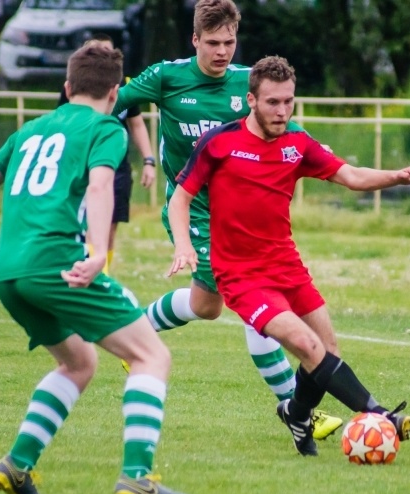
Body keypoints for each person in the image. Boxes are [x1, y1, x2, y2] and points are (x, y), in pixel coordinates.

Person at [0, 42, 196, 494]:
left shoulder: (32, 128)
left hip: (8, 273)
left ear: (66, 87)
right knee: (151, 355)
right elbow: (100, 186)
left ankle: (17, 465)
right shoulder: (106, 127)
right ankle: (138, 477)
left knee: (79, 363)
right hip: (57, 263)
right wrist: (99, 251)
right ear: (116, 91)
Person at [166, 55, 410, 456]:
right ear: (251, 101)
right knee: (309, 348)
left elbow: (351, 176)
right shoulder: (220, 143)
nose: (282, 111)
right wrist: (183, 244)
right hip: (241, 276)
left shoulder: (298, 144)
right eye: (273, 102)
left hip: (287, 267)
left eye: (288, 102)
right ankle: (381, 415)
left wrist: (396, 176)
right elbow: (182, 197)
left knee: (328, 354)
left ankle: (296, 413)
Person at [113, 0, 343, 441]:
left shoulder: (248, 84)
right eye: (213, 42)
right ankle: (298, 410)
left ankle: (132, 330)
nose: (223, 51)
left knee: (207, 306)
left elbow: (283, 127)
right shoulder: (166, 77)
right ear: (195, 39)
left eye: (230, 42)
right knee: (255, 300)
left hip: (242, 212)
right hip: (194, 207)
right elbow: (111, 103)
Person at [57, 34, 156, 274]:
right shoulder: (74, 90)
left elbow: (137, 124)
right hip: (85, 165)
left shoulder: (123, 91)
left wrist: (149, 160)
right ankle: (88, 272)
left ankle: (101, 272)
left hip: (117, 167)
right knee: (89, 221)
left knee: (110, 225)